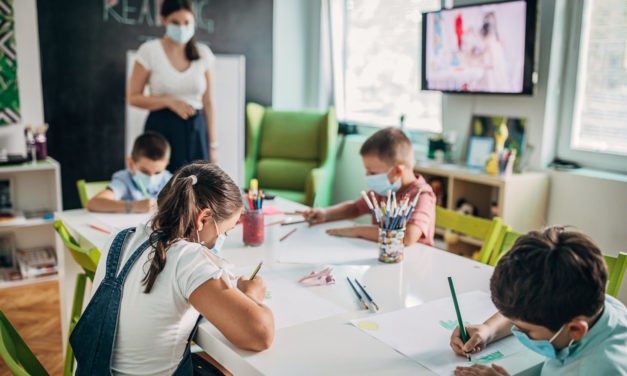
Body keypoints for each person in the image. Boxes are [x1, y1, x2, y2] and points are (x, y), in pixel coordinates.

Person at [71, 162, 274, 375]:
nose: (218, 242)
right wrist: (252, 295)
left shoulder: (119, 238)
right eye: (223, 232)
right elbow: (261, 335)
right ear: (203, 218)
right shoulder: (187, 259)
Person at [450, 226, 627, 375]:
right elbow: (526, 313)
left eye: (526, 331)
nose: (516, 331)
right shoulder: (591, 301)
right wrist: (489, 329)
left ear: (575, 329)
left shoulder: (601, 369)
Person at [304, 127, 436, 246]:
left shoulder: (422, 195)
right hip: (383, 255)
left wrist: (358, 231)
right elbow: (355, 208)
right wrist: (325, 213)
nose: (367, 176)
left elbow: (407, 237)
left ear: (397, 171)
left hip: (414, 262)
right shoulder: (384, 191)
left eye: (372, 172)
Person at [128, 0, 217, 172]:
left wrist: (213, 145)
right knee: (164, 188)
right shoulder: (149, 51)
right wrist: (169, 102)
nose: (182, 28)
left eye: (187, 23)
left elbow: (209, 103)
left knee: (197, 187)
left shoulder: (204, 54)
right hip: (162, 129)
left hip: (196, 131)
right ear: (163, 20)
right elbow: (133, 97)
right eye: (175, 23)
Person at [87, 132, 172, 213]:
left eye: (157, 173)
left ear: (166, 165)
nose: (151, 177)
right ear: (131, 163)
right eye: (145, 171)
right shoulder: (125, 180)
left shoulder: (170, 180)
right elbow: (93, 204)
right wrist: (134, 206)